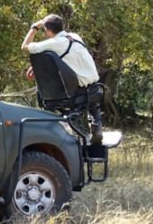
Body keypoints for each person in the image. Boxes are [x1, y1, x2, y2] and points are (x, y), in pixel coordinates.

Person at [21, 13, 102, 142]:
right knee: (92, 102)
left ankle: (73, 133)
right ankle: (97, 124)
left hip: (77, 92)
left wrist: (35, 27)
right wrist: (34, 66)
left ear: (47, 30)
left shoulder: (53, 43)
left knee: (74, 94)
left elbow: (24, 48)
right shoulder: (75, 36)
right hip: (95, 86)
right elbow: (62, 58)